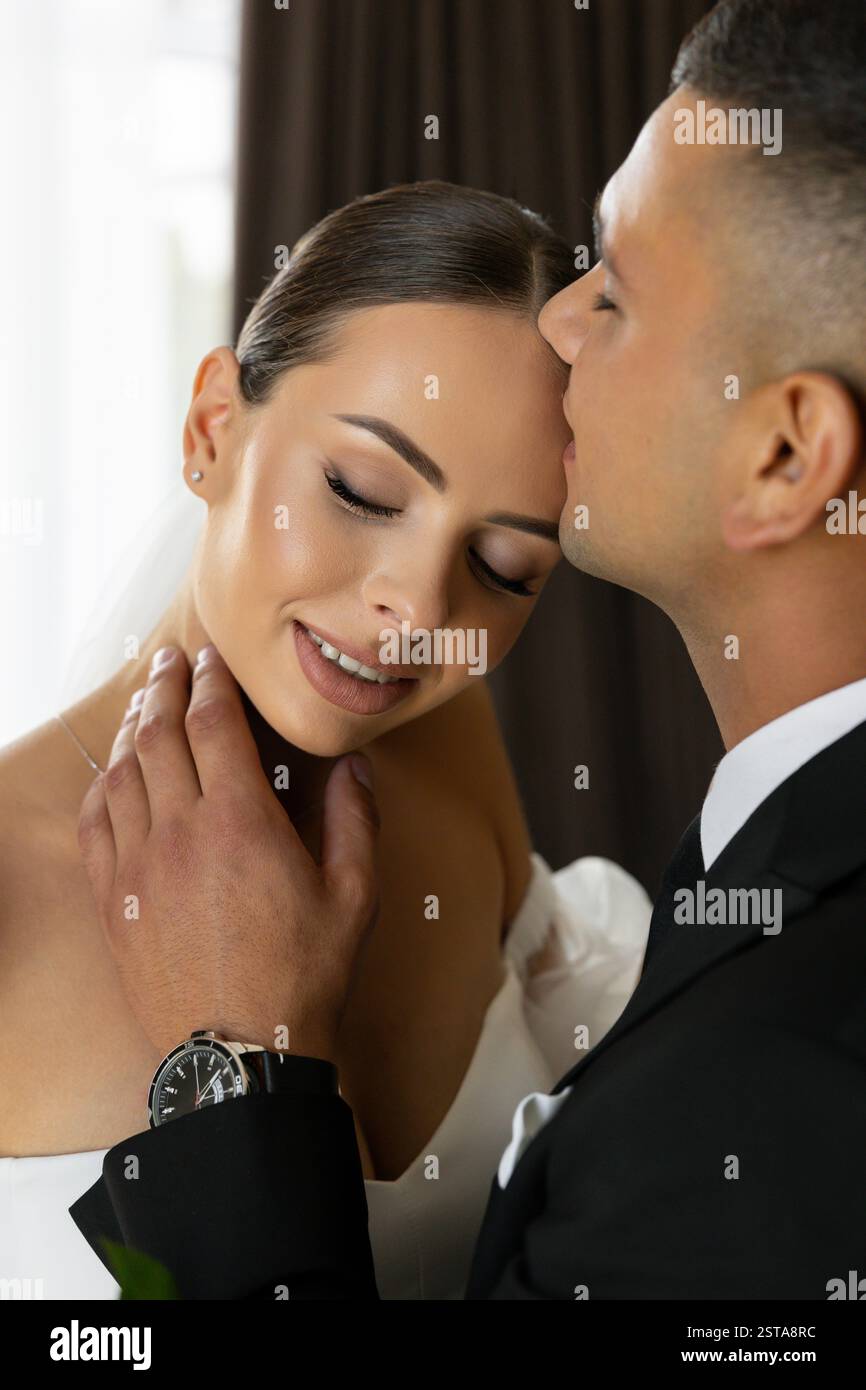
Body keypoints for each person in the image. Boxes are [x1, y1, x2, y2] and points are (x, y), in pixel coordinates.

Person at [72, 0, 866, 1298]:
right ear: (212, 422)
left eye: (614, 287)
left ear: (782, 456)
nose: (558, 323)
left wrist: (236, 1068)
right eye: (363, 488)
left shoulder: (765, 1086)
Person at [0, 183, 652, 1300]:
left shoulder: (450, 740)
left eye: (502, 568)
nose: (417, 606)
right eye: (358, 490)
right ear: (213, 429)